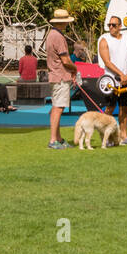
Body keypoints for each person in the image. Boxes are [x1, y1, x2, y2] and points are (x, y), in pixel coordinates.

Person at [98, 15, 127, 145]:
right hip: (110, 82)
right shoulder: (104, 40)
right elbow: (107, 62)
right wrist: (121, 74)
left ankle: (124, 137)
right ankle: (106, 138)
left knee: (124, 108)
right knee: (109, 109)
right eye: (109, 25)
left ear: (120, 26)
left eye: (114, 25)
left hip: (126, 80)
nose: (111, 27)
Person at [45, 8, 80, 149]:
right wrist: (75, 69)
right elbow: (65, 60)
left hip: (55, 75)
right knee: (58, 108)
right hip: (60, 76)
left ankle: (58, 139)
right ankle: (53, 140)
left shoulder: (51, 34)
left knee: (56, 107)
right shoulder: (58, 37)